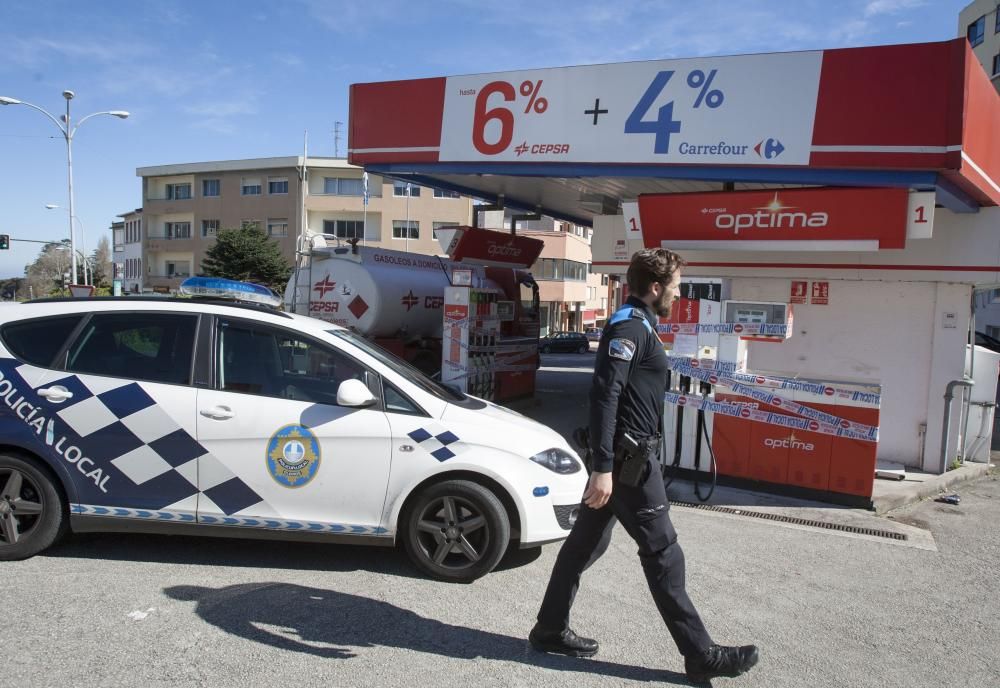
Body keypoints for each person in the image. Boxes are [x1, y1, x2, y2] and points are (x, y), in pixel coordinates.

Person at [528, 248, 759, 684]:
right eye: (673, 286)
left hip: (624, 461)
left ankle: (549, 629)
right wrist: (602, 467)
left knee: (582, 547)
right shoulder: (630, 329)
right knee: (664, 554)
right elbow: (604, 394)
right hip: (628, 466)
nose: (676, 294)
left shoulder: (639, 325)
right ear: (654, 288)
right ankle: (701, 654)